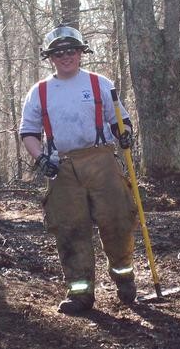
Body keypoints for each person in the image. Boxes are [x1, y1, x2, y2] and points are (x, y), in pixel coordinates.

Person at [19, 24, 138, 314]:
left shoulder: (100, 84)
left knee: (118, 220)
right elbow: (28, 132)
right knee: (70, 230)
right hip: (62, 167)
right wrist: (40, 159)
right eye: (59, 52)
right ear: (50, 57)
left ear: (81, 53)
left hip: (102, 161)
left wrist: (125, 134)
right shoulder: (40, 92)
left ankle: (124, 277)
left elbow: (119, 121)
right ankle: (80, 294)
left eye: (71, 50)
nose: (66, 56)